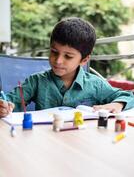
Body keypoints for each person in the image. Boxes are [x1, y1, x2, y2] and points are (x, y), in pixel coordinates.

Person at [0, 17, 134, 118]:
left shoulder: (96, 85)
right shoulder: (36, 81)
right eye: (54, 52)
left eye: (68, 56)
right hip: (44, 141)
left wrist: (117, 104)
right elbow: (10, 101)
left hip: (81, 143)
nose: (58, 61)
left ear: (84, 60)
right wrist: (5, 107)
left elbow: (128, 96)